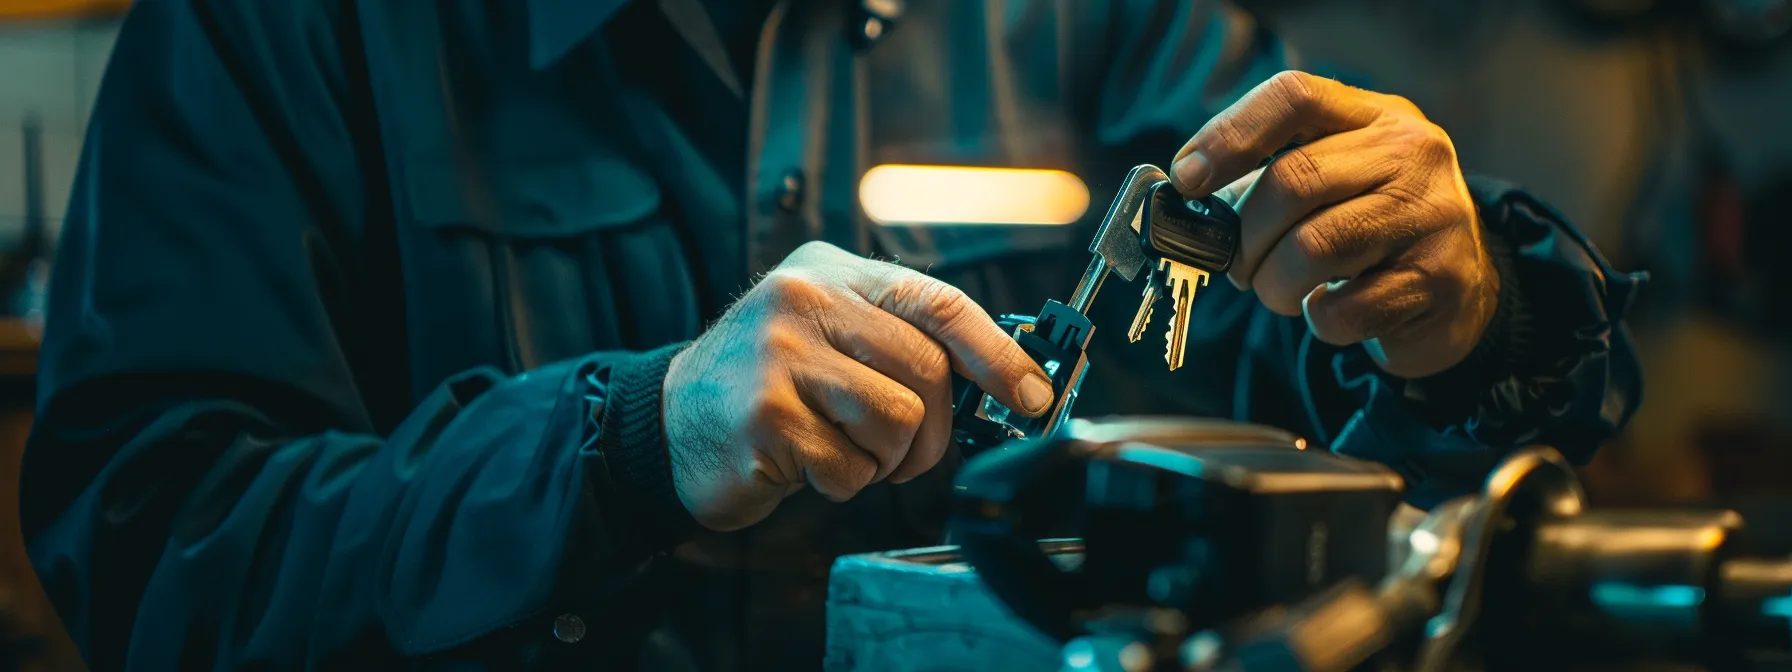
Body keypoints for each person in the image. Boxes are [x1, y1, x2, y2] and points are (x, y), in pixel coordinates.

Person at [20, 0, 1641, 669]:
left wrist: (1463, 314)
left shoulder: (1095, 19)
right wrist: (631, 440)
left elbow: (1415, 457)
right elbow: (156, 540)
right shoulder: (285, 35)